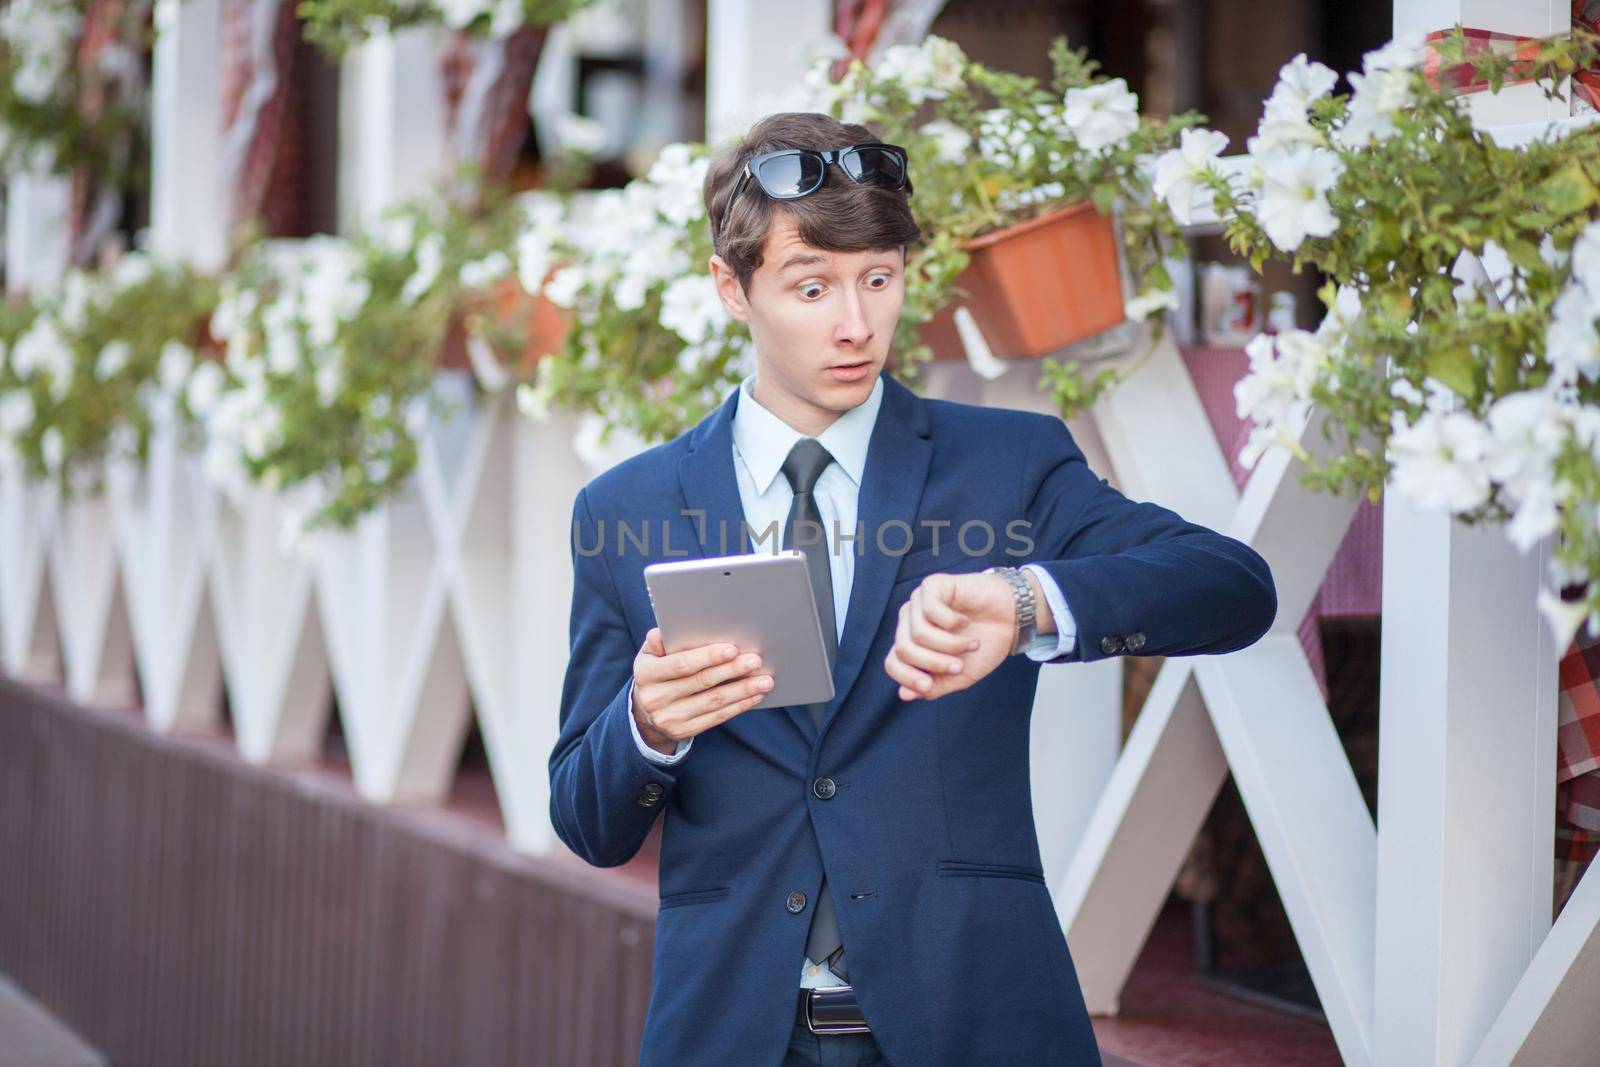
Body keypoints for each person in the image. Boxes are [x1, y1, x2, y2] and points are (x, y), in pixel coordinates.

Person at [548, 111, 1278, 1067]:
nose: (858, 326)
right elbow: (585, 818)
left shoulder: (1009, 464)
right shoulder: (625, 506)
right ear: (732, 288)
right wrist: (646, 723)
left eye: (879, 281)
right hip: (732, 1033)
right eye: (812, 288)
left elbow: (1235, 587)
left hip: (980, 1020)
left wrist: (1027, 605)